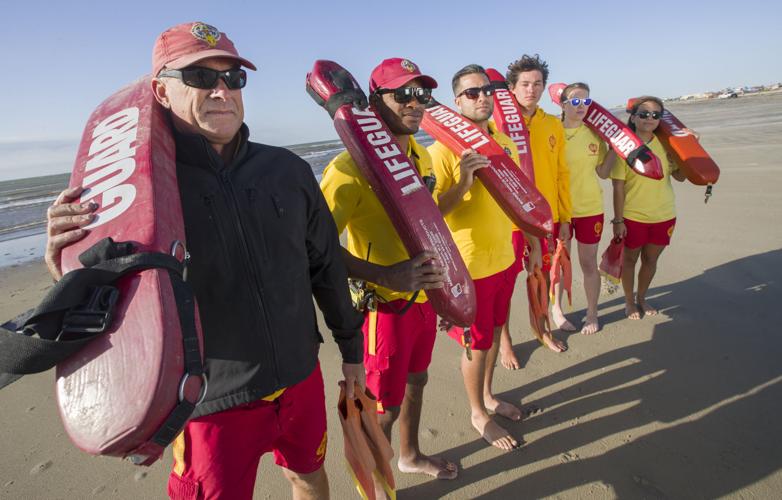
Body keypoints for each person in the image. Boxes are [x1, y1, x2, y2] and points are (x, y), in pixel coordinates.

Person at [44, 22, 365, 500]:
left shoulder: (287, 170)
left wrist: (352, 348)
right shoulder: (137, 195)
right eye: (199, 77)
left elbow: (325, 267)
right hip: (209, 401)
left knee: (308, 475)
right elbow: (112, 303)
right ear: (160, 91)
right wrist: (64, 260)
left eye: (233, 79)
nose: (221, 91)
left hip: (300, 374)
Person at [320, 58, 459, 483]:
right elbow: (316, 248)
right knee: (382, 410)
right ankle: (377, 490)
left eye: (423, 95)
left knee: (418, 381)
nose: (416, 104)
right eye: (404, 94)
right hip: (384, 312)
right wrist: (384, 275)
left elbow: (432, 227)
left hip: (423, 303)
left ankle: (410, 455)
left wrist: (449, 293)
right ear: (372, 102)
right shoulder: (347, 170)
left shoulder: (420, 155)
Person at [428, 64, 523, 451]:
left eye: (487, 91)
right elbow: (432, 214)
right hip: (470, 267)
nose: (482, 98)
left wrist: (528, 237)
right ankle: (476, 412)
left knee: (497, 331)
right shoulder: (441, 151)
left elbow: (517, 194)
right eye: (472, 93)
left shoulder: (503, 142)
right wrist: (465, 180)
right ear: (456, 103)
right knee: (476, 343)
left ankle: (488, 396)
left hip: (504, 254)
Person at [500, 54, 571, 363]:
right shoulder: (496, 122)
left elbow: (561, 173)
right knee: (503, 287)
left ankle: (542, 330)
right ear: (511, 88)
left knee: (540, 278)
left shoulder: (553, 123)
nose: (531, 89)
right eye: (525, 84)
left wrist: (565, 216)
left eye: (537, 84)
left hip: (543, 218)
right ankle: (504, 342)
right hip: (506, 222)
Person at [611, 96, 687, 320]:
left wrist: (689, 152)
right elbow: (618, 187)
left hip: (664, 214)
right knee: (629, 261)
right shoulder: (624, 147)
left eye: (656, 115)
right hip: (633, 216)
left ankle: (642, 298)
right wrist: (618, 221)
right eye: (643, 114)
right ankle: (628, 301)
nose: (650, 118)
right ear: (633, 117)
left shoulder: (666, 145)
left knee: (651, 261)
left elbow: (681, 177)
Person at [559, 82, 617, 334]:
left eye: (586, 101)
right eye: (575, 101)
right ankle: (557, 311)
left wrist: (615, 148)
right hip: (560, 210)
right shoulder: (552, 132)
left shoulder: (594, 135)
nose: (581, 105)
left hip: (590, 208)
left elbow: (603, 172)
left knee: (588, 263)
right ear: (562, 104)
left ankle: (592, 314)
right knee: (562, 264)